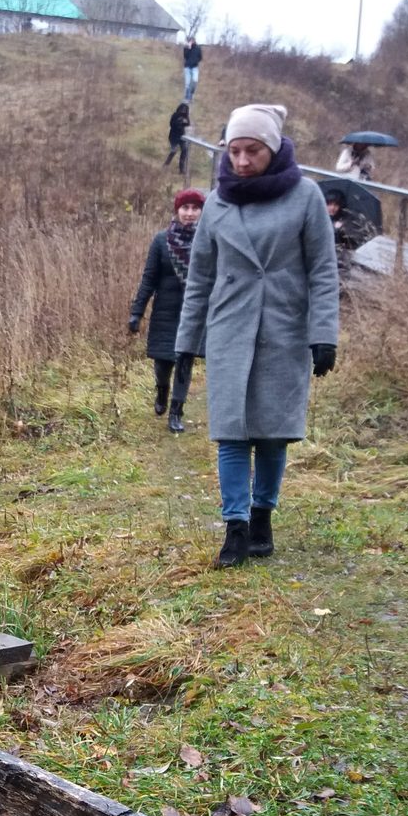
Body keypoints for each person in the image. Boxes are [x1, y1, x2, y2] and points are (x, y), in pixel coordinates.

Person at [174, 104, 339, 567]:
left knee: (272, 433)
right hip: (230, 329)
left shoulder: (305, 196)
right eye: (234, 150)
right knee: (231, 434)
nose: (242, 161)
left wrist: (323, 334)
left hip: (283, 328)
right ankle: (236, 526)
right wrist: (186, 341)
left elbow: (323, 272)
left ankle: (263, 515)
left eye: (252, 150)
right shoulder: (219, 202)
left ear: (273, 147)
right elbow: (200, 277)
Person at [128, 188, 204, 433]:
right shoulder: (162, 240)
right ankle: (162, 390)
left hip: (193, 314)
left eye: (195, 208)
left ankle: (176, 412)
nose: (190, 213)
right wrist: (137, 312)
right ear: (177, 210)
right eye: (185, 208)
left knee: (184, 361)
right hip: (165, 311)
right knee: (163, 365)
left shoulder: (207, 240)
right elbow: (149, 278)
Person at [164, 103, 191, 175]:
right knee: (174, 150)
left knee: (184, 150)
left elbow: (188, 124)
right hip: (173, 136)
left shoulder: (185, 116)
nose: (183, 111)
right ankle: (166, 164)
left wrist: (184, 122)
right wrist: (178, 122)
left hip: (182, 136)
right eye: (182, 109)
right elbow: (171, 124)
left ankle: (181, 170)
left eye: (185, 110)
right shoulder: (175, 115)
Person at [182, 35, 202, 102]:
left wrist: (196, 61)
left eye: (193, 40)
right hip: (187, 67)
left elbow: (200, 57)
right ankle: (187, 98)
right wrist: (188, 48)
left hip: (195, 67)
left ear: (194, 41)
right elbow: (185, 56)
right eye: (190, 41)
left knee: (194, 81)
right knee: (187, 83)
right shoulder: (186, 48)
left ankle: (191, 95)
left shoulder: (198, 48)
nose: (192, 42)